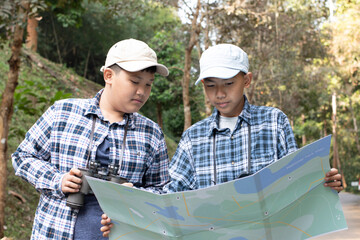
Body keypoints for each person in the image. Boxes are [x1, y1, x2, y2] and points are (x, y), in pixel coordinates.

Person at [100, 43, 344, 236]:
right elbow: (170, 196)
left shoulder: (273, 122)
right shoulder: (194, 138)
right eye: (210, 85)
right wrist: (129, 206)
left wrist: (324, 182)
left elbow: (297, 180)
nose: (219, 94)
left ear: (246, 80)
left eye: (228, 83)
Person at [12, 38, 170, 240]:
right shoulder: (63, 112)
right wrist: (58, 180)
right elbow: (22, 157)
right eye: (135, 81)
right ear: (109, 75)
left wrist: (136, 198)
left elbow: (164, 192)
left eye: (149, 84)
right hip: (54, 233)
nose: (142, 91)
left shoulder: (151, 133)